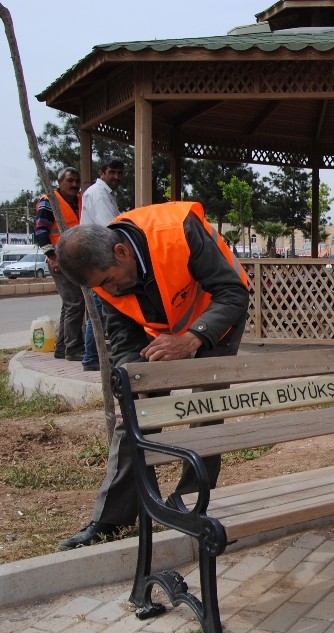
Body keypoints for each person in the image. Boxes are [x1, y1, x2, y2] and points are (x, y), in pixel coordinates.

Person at [54, 201, 250, 549]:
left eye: (109, 281)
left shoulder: (177, 231)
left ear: (122, 251)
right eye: (101, 287)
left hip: (216, 318)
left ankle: (191, 503)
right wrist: (134, 380)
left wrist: (191, 338)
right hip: (158, 330)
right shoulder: (103, 276)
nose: (111, 291)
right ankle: (111, 520)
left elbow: (232, 292)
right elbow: (123, 336)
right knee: (137, 414)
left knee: (206, 407)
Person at [79, 158, 126, 372]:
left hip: (101, 258)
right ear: (101, 173)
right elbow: (110, 227)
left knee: (101, 310)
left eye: (119, 173)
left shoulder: (106, 194)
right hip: (99, 261)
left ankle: (94, 356)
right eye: (112, 172)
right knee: (99, 310)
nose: (116, 177)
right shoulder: (98, 194)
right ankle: (91, 357)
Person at [35, 167, 85, 361]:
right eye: (70, 180)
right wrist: (52, 256)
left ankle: (63, 346)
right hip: (59, 258)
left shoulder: (79, 201)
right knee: (75, 302)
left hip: (74, 258)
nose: (74, 184)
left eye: (77, 181)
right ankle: (73, 348)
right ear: (59, 182)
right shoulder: (49, 201)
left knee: (69, 303)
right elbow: (41, 230)